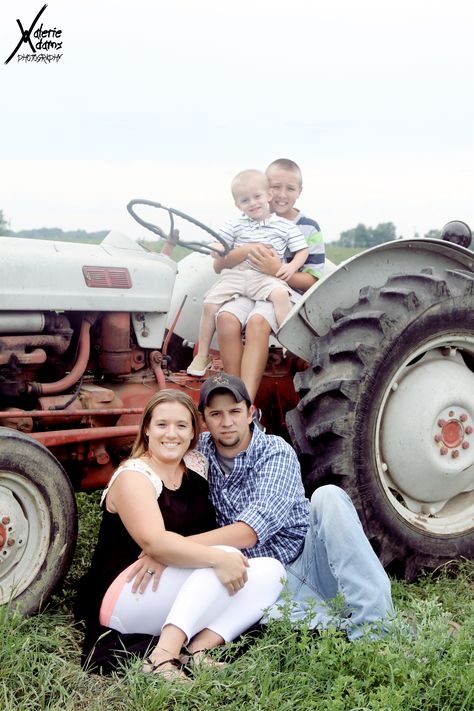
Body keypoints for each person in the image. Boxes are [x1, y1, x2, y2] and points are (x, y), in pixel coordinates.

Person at [76, 389, 285, 678]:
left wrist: (174, 555)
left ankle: (197, 651)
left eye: (181, 426)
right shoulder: (134, 476)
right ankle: (162, 657)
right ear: (147, 428)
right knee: (222, 557)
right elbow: (154, 542)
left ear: (193, 434)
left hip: (171, 584)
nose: (171, 434)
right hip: (128, 590)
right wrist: (203, 557)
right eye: (162, 425)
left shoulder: (196, 466)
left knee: (273, 571)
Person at [193, 374, 394, 640]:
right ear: (204, 420)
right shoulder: (199, 454)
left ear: (250, 413)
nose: (227, 422)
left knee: (328, 496)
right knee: (252, 623)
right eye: (216, 414)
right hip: (262, 584)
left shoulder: (275, 451)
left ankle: (376, 632)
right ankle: (335, 624)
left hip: (310, 559)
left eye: (234, 411)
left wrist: (174, 547)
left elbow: (252, 530)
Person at [214, 158, 325, 402]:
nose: (281, 195)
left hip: (285, 292)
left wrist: (277, 269)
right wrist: (245, 250)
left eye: (290, 188)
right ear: (265, 187)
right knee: (225, 319)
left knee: (257, 322)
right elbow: (219, 263)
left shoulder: (308, 228)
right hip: (247, 289)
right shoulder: (247, 218)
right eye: (275, 187)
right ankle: (233, 394)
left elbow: (313, 280)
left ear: (299, 191)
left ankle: (246, 405)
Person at [186, 168, 309, 377]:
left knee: (280, 295)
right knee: (209, 305)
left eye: (257, 197)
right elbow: (219, 244)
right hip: (237, 275)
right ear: (237, 205)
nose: (252, 203)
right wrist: (216, 248)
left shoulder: (284, 226)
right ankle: (202, 354)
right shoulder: (234, 224)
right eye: (245, 200)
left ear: (268, 195)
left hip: (264, 276)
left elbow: (302, 250)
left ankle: (290, 342)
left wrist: (291, 267)